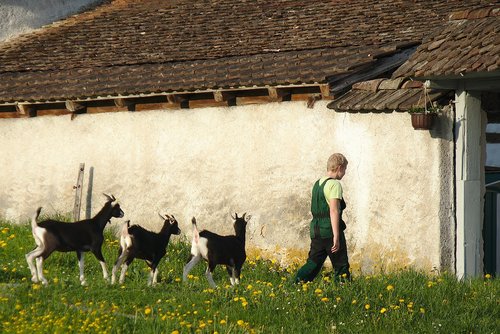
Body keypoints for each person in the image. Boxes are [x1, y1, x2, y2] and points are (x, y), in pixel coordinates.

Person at [295, 153, 351, 283]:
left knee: (313, 263)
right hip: (329, 230)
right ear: (339, 167)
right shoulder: (335, 185)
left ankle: (296, 283)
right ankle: (343, 292)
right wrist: (336, 236)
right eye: (345, 169)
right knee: (341, 265)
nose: (345, 173)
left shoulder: (317, 184)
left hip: (316, 230)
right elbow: (334, 210)